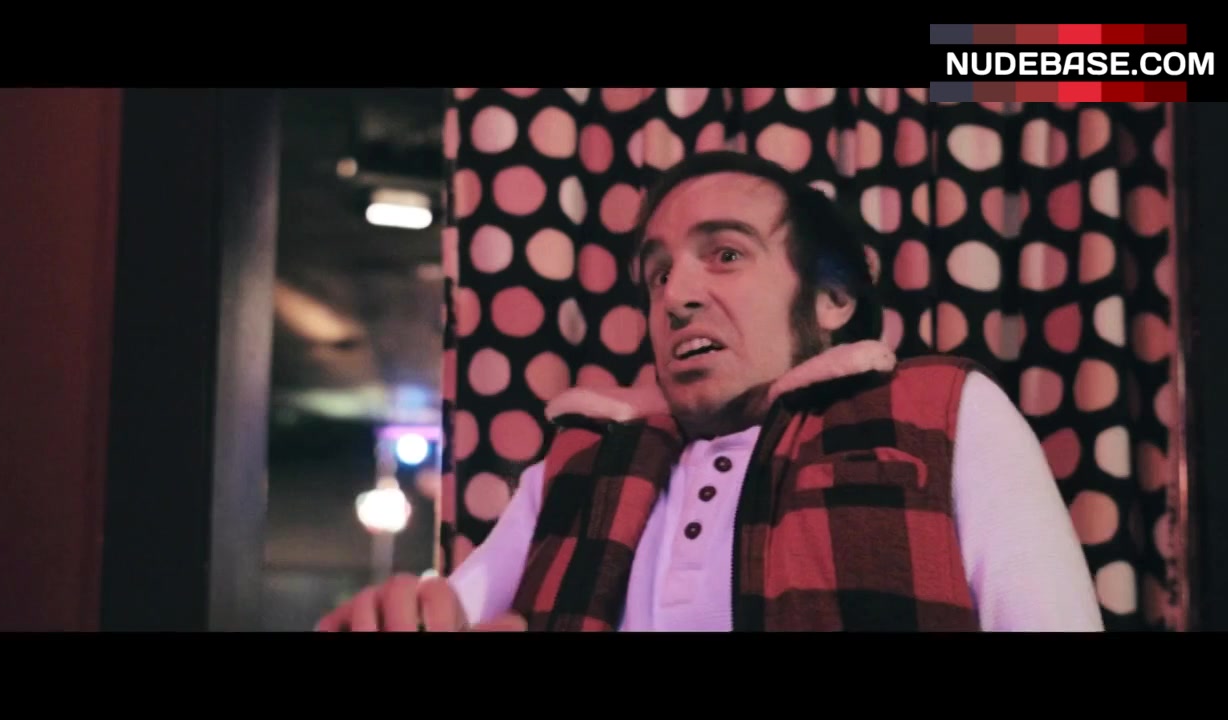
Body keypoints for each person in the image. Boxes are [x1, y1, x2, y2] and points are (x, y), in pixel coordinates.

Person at [316, 150, 1104, 632]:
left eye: (725, 254)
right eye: (658, 273)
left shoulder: (942, 408)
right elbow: (448, 613)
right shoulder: (574, 466)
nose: (676, 294)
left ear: (833, 298)